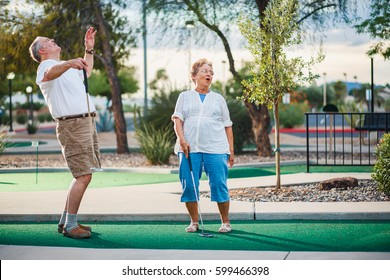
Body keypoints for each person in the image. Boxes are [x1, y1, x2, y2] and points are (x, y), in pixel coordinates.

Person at [29, 27, 100, 239]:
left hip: (84, 123)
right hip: (73, 126)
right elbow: (50, 74)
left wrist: (89, 50)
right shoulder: (46, 66)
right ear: (42, 50)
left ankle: (65, 221)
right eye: (48, 41)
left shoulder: (63, 67)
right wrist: (69, 63)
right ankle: (71, 225)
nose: (53, 40)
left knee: (83, 174)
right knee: (83, 176)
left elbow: (86, 71)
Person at [171, 58, 235, 233]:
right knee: (190, 186)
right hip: (189, 149)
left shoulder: (218, 99)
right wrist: (182, 140)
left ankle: (226, 222)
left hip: (216, 149)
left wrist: (231, 150)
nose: (209, 74)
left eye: (211, 72)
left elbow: (227, 125)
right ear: (194, 76)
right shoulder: (184, 96)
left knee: (219, 185)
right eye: (205, 71)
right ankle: (194, 222)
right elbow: (177, 120)